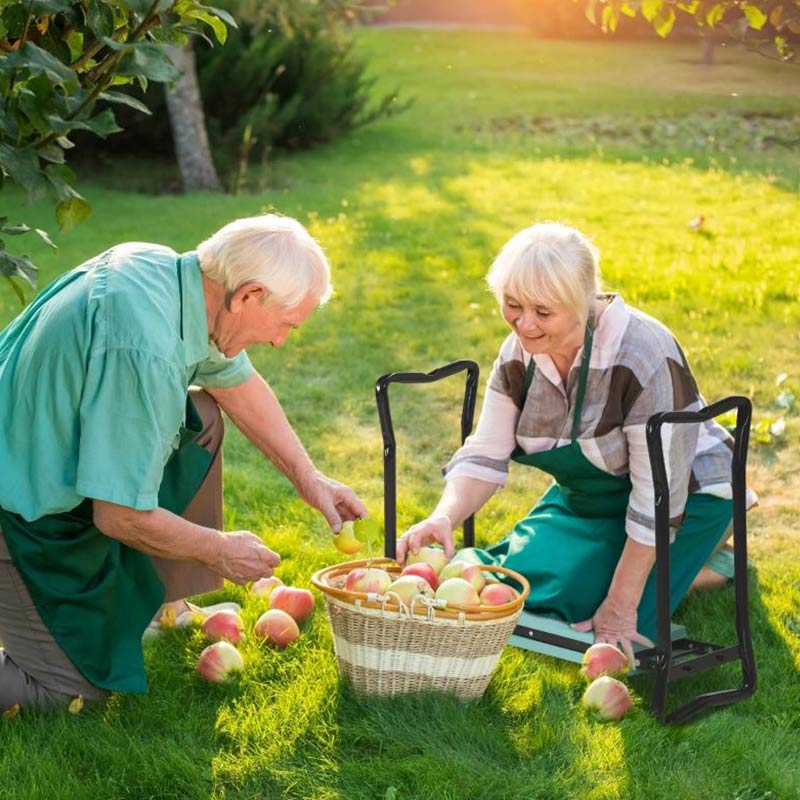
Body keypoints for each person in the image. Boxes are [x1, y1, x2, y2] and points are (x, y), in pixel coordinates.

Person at [0, 214, 367, 712]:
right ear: (249, 296)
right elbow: (119, 515)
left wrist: (309, 477)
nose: (281, 341)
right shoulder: (145, 350)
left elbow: (238, 384)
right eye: (285, 325)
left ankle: (161, 607)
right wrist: (217, 549)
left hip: (38, 456)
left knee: (204, 416)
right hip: (19, 508)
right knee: (70, 692)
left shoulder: (169, 277)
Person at [397, 222, 751, 666]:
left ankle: (710, 565)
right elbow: (484, 452)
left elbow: (658, 497)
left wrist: (621, 605)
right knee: (517, 585)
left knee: (605, 614)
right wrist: (443, 516)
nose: (524, 324)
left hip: (687, 497)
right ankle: (684, 568)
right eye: (512, 305)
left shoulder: (641, 354)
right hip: (593, 495)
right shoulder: (517, 355)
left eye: (543, 312)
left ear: (583, 302)